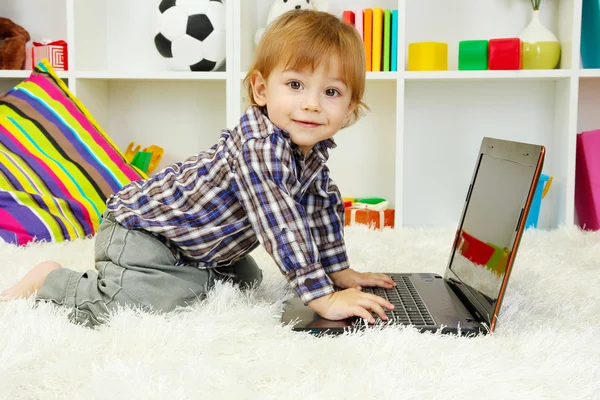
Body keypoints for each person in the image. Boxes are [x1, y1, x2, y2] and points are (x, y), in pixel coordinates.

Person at [1, 9, 396, 328]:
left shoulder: (308, 154)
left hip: (198, 247)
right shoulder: (261, 149)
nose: (312, 103)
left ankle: (188, 275)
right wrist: (321, 296)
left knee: (247, 279)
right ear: (261, 90)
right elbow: (282, 225)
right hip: (141, 232)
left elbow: (320, 209)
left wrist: (338, 270)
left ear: (349, 110)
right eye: (295, 85)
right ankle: (51, 280)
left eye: (331, 92)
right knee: (154, 302)